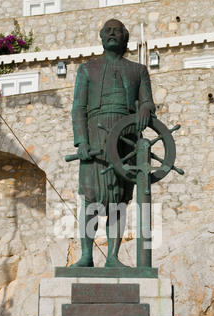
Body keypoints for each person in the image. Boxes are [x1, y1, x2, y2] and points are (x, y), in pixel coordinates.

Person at [71, 18, 155, 267]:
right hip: (95, 137)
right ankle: (86, 256)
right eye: (107, 30)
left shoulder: (138, 70)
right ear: (101, 36)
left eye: (116, 31)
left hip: (126, 137)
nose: (111, 34)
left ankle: (113, 257)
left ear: (124, 37)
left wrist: (145, 111)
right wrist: (81, 142)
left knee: (118, 200)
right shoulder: (87, 69)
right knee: (90, 198)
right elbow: (78, 109)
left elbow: (148, 101)